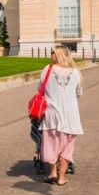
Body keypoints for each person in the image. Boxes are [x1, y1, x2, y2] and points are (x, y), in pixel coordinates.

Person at [39, 46, 84, 186]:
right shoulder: (75, 73)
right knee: (67, 147)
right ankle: (62, 178)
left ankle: (53, 172)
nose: (51, 55)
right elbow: (78, 93)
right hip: (71, 115)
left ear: (58, 55)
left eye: (53, 52)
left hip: (52, 114)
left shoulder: (48, 70)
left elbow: (40, 90)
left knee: (52, 144)